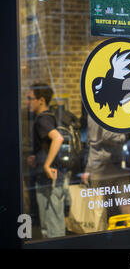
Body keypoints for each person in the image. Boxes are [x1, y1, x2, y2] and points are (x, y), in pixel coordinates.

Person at [27, 83, 65, 238]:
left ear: (41, 100)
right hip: (51, 177)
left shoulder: (42, 120)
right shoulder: (49, 117)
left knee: (52, 227)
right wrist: (38, 157)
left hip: (49, 179)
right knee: (51, 224)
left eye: (30, 99)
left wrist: (46, 164)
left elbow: (58, 138)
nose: (28, 102)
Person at [81, 115, 129, 229]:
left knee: (100, 206)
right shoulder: (106, 112)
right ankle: (128, 231)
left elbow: (89, 141)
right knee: (122, 201)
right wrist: (125, 136)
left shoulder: (91, 113)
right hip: (111, 164)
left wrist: (88, 169)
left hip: (96, 164)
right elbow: (107, 135)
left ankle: (102, 234)